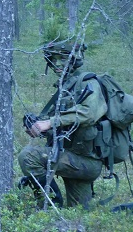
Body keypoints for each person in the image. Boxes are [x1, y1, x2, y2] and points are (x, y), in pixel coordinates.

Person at [17, 39, 107, 208]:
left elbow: (89, 113)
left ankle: (50, 206)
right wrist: (39, 128)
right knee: (80, 213)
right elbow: (66, 127)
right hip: (71, 157)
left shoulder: (88, 81)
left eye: (63, 58)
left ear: (74, 59)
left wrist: (50, 122)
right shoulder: (65, 86)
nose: (58, 63)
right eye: (54, 59)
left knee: (28, 156)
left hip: (86, 161)